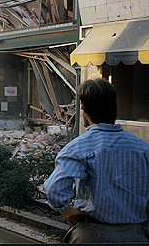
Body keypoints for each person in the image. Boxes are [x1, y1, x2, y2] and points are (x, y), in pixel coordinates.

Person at [44, 78, 149, 244]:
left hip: (93, 235)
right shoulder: (143, 148)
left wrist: (65, 210)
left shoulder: (78, 147)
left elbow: (54, 189)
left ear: (83, 110)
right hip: (136, 235)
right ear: (114, 109)